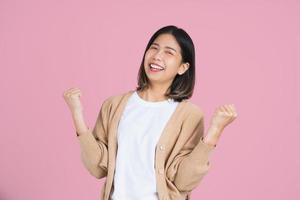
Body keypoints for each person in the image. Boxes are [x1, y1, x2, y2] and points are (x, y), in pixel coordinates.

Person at [63, 25, 238, 200]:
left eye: (169, 52)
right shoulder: (114, 105)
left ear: (183, 68)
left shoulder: (190, 115)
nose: (157, 56)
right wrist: (77, 114)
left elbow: (183, 182)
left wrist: (215, 131)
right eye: (154, 48)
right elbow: (97, 168)